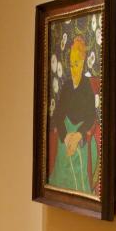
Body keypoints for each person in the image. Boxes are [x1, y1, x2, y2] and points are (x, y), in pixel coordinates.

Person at [48, 36, 99, 194]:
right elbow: (58, 115)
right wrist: (65, 137)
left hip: (81, 135)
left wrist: (78, 135)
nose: (73, 68)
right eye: (71, 64)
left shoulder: (87, 88)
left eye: (76, 64)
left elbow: (91, 117)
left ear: (83, 63)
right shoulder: (67, 87)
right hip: (66, 134)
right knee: (64, 156)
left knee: (78, 155)